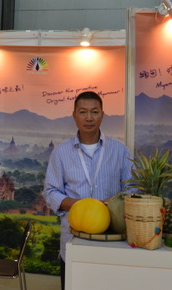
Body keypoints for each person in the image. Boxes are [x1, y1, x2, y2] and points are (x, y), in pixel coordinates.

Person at [43, 91, 133, 289]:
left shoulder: (120, 150)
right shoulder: (61, 152)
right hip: (73, 236)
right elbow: (50, 193)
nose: (89, 118)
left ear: (102, 115)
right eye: (83, 112)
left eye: (94, 112)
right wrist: (85, 206)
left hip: (111, 236)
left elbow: (132, 189)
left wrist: (110, 205)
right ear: (74, 115)